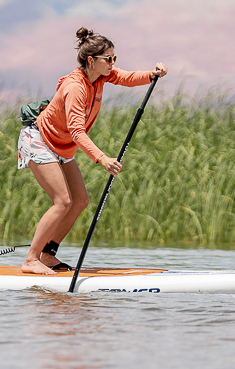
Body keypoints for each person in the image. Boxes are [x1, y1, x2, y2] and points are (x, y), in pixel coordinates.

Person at [17, 27, 167, 275]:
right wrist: (102, 158)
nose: (112, 64)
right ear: (91, 60)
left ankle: (47, 254)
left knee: (80, 201)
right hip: (39, 140)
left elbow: (127, 78)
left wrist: (153, 74)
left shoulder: (100, 76)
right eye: (108, 59)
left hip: (62, 145)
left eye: (113, 59)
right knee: (62, 201)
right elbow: (77, 132)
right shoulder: (75, 87)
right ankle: (31, 260)